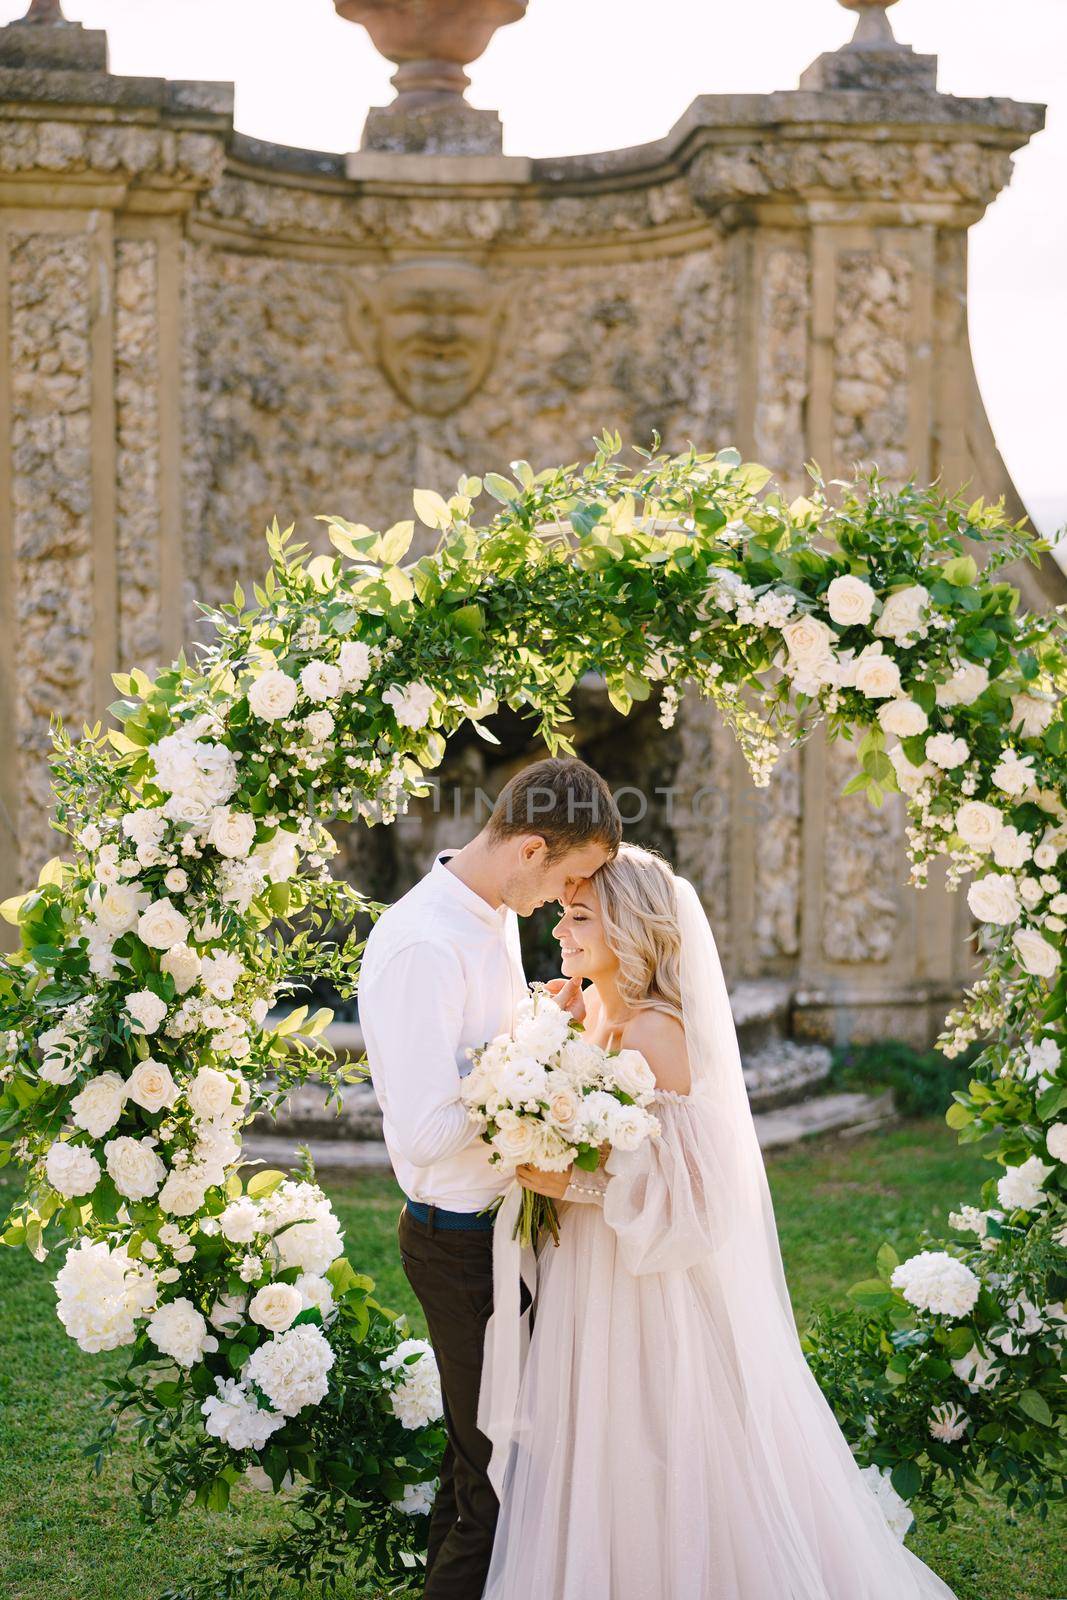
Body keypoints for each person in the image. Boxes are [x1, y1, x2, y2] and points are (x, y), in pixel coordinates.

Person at [479, 843, 961, 1600]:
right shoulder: (593, 1014)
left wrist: (571, 1184)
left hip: (647, 1289)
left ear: (630, 929)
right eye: (563, 915)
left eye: (579, 918)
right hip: (589, 1272)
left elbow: (700, 1197)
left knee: (656, 1442)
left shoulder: (655, 1033)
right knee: (595, 1444)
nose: (560, 933)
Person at [357, 757, 622, 1600]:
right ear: (531, 848)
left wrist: (542, 1025)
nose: (562, 903)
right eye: (569, 879)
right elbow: (429, 1134)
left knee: (481, 1460)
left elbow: (487, 1058)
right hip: (459, 1242)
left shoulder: (491, 917)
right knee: (500, 1476)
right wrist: (528, 1058)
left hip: (506, 1229)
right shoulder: (422, 946)